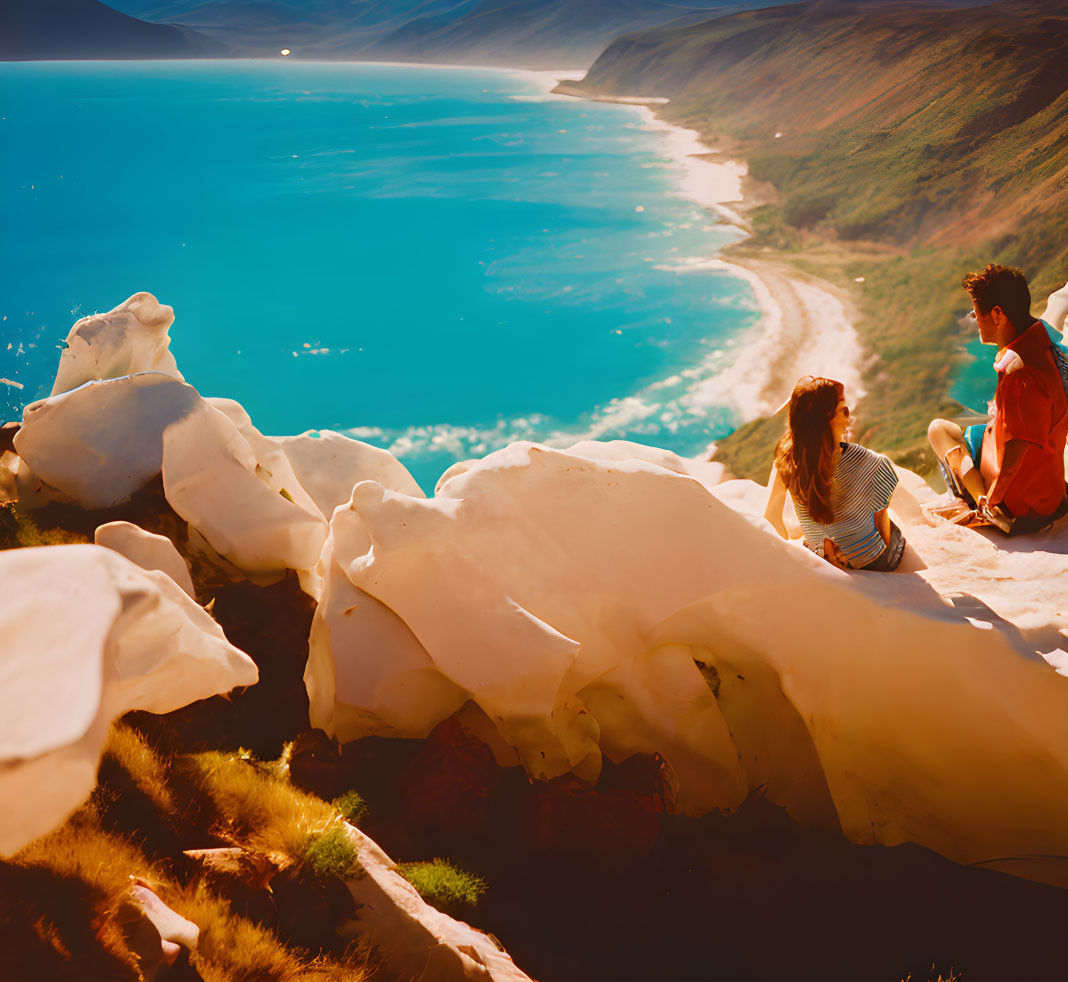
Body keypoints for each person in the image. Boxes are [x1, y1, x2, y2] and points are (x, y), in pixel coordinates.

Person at [928, 264, 1068, 532]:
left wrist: (992, 501)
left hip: (1020, 506)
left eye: (975, 313)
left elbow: (1018, 448)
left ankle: (974, 498)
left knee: (940, 430)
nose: (974, 319)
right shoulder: (1044, 343)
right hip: (1049, 493)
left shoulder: (1020, 372)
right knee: (970, 428)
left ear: (996, 314)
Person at [764, 376, 905, 571]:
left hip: (821, 559)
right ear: (827, 420)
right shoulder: (871, 462)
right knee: (891, 526)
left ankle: (826, 541)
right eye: (845, 411)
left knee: (814, 532)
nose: (850, 417)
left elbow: (771, 518)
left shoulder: (789, 462)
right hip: (873, 563)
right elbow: (884, 533)